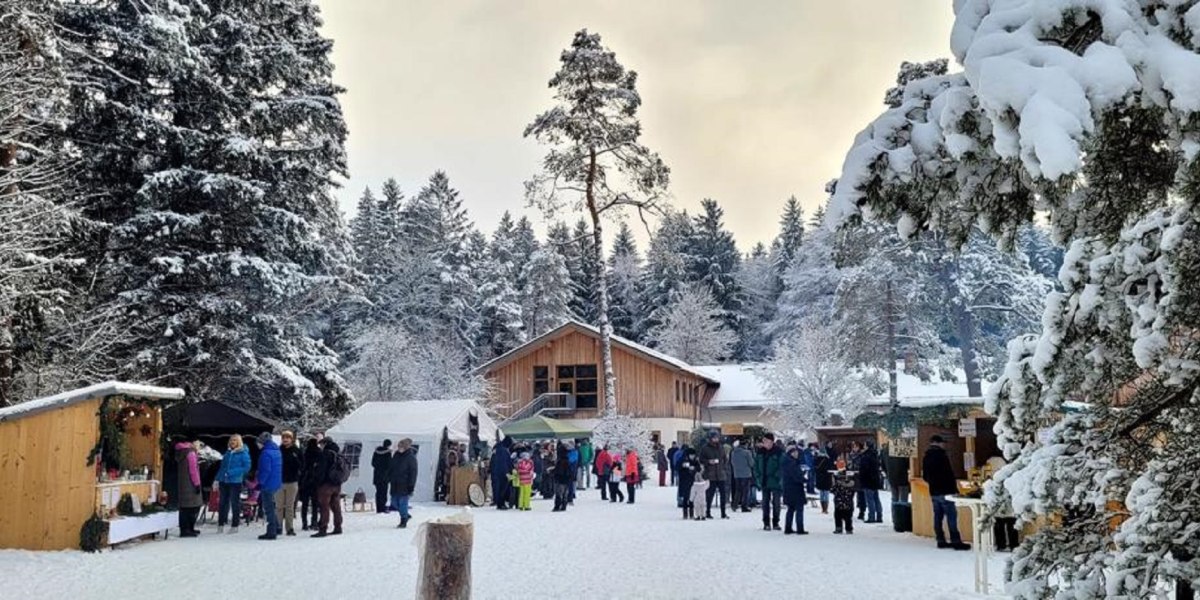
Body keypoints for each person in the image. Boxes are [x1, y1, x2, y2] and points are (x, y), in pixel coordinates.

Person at [923, 435, 970, 550]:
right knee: (951, 516)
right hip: (946, 491)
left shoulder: (926, 456)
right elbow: (948, 474)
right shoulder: (942, 456)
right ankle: (956, 541)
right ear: (938, 443)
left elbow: (925, 476)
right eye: (942, 442)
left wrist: (933, 484)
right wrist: (954, 488)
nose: (943, 444)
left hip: (934, 491)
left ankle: (940, 539)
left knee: (937, 516)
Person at [215, 434, 250, 534]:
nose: (232, 442)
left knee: (235, 503)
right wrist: (217, 479)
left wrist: (232, 472)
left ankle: (235, 525)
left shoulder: (243, 453)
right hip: (224, 481)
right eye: (231, 440)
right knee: (222, 503)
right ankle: (220, 524)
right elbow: (222, 467)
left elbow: (246, 467)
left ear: (239, 442)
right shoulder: (228, 453)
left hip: (235, 481)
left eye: (234, 440)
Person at [312, 438, 345, 537]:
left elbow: (321, 470)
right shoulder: (338, 453)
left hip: (326, 484)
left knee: (324, 506)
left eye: (321, 444)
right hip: (337, 483)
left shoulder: (325, 454)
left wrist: (318, 481)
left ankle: (323, 528)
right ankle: (338, 526)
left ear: (325, 444)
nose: (320, 446)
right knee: (336, 506)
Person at [173, 437, 203, 537]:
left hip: (183, 483)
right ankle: (188, 529)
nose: (199, 446)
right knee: (194, 507)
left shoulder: (181, 451)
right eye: (198, 444)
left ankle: (185, 529)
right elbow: (193, 470)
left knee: (184, 508)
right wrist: (197, 484)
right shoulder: (191, 453)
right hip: (190, 484)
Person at [256, 432, 283, 540]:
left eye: (258, 442)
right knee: (272, 506)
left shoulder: (265, 453)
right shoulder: (277, 451)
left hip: (267, 483)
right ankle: (277, 527)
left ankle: (271, 531)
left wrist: (260, 482)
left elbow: (265, 470)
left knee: (268, 507)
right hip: (276, 482)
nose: (258, 445)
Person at [755, 434, 784, 531]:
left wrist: (777, 476)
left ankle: (776, 522)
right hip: (764, 481)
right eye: (764, 441)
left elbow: (782, 466)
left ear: (772, 442)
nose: (765, 443)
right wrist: (758, 477)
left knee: (776, 503)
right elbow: (756, 466)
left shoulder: (778, 452)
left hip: (775, 482)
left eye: (767, 441)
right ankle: (766, 522)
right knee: (765, 503)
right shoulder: (760, 452)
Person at [276, 430, 303, 536]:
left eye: (288, 438)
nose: (285, 440)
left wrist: (296, 461)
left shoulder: (296, 451)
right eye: (284, 438)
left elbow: (302, 465)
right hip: (279, 481)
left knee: (289, 506)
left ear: (292, 439)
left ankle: (289, 527)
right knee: (279, 506)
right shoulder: (278, 450)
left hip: (292, 481)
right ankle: (278, 526)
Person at [698, 430, 730, 519]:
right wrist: (708, 462)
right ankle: (707, 512)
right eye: (714, 438)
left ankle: (723, 513)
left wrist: (723, 466)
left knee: (723, 495)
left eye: (717, 437)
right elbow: (701, 459)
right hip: (710, 475)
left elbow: (725, 459)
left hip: (721, 475)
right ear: (710, 438)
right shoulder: (705, 448)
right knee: (709, 495)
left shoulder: (721, 447)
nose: (716, 439)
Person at [389, 438, 418, 528]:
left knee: (402, 503)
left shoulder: (411, 457)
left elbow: (413, 472)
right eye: (399, 446)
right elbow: (392, 466)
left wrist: (411, 486)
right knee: (394, 502)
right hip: (395, 483)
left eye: (401, 446)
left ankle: (403, 519)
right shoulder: (396, 455)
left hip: (405, 484)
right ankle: (405, 514)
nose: (399, 448)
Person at [782, 444, 809, 535]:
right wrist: (804, 479)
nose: (797, 453)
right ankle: (800, 528)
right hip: (795, 489)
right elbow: (796, 476)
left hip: (788, 488)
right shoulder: (792, 463)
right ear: (791, 453)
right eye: (795, 451)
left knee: (791, 509)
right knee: (799, 509)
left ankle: (788, 528)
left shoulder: (787, 462)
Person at [300, 437, 322, 531]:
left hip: (305, 481)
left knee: (304, 504)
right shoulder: (319, 453)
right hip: (315, 482)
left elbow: (302, 467)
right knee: (315, 504)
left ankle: (304, 523)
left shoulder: (305, 453)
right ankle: (314, 522)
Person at [860, 441, 883, 523]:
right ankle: (879, 516)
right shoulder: (875, 455)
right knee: (876, 498)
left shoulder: (865, 456)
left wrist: (861, 478)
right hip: (875, 480)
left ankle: (872, 517)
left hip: (867, 480)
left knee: (870, 500)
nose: (863, 447)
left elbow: (863, 469)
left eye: (864, 445)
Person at [490, 437, 514, 510]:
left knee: (498, 488)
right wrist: (507, 472)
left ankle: (499, 502)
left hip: (496, 472)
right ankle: (501, 503)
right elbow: (504, 463)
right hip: (502, 473)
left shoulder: (497, 449)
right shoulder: (503, 450)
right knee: (502, 488)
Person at [730, 439, 754, 513]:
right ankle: (744, 506)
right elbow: (751, 463)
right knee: (745, 491)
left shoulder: (733, 452)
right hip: (746, 474)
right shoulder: (747, 452)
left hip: (736, 474)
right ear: (745, 445)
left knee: (738, 490)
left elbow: (732, 462)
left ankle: (734, 505)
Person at [832, 465, 857, 534]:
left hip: (839, 504)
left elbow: (833, 490)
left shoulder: (838, 485)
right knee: (848, 517)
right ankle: (849, 529)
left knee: (838, 517)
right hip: (848, 504)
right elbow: (853, 493)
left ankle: (838, 528)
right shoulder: (851, 485)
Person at [371, 439, 393, 514]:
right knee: (384, 492)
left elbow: (373, 463)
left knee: (378, 492)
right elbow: (389, 465)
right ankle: (382, 507)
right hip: (385, 476)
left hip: (377, 475)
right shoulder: (388, 453)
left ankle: (378, 507)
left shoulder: (376, 452)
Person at [677, 446, 698, 519]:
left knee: (692, 497)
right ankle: (685, 513)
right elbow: (678, 466)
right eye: (691, 455)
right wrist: (685, 466)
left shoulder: (695, 460)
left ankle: (692, 513)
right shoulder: (683, 459)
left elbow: (698, 468)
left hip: (692, 481)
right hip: (684, 480)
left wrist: (694, 468)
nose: (693, 456)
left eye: (694, 455)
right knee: (686, 497)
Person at [553, 442, 573, 512]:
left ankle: (557, 506)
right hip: (566, 479)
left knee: (559, 493)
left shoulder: (560, 461)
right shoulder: (567, 460)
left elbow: (559, 471)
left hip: (560, 479)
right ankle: (563, 505)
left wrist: (555, 475)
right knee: (564, 493)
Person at [813, 448, 834, 514]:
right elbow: (831, 469)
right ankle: (826, 509)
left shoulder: (816, 459)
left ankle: (823, 508)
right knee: (826, 493)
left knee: (821, 494)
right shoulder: (828, 459)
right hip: (827, 478)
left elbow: (815, 468)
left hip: (819, 478)